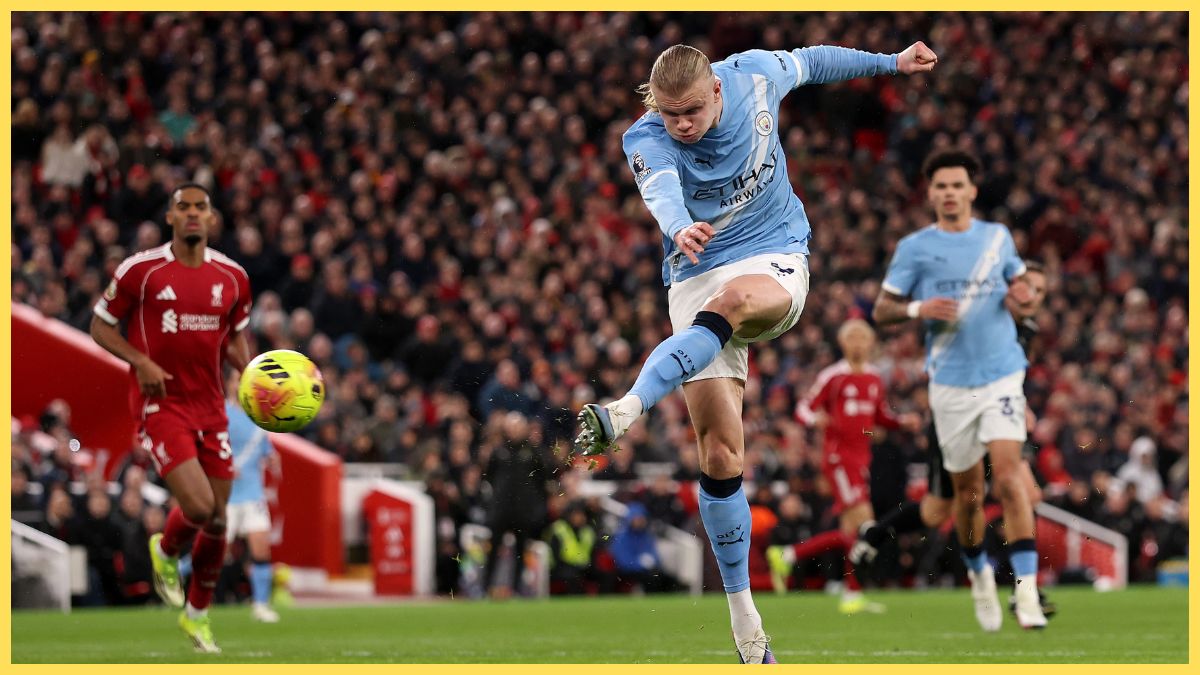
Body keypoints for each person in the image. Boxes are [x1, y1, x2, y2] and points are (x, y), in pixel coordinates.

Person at [575, 40, 938, 663]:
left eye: (690, 110)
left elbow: (818, 62)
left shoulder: (754, 75)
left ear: (716, 89)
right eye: (670, 114)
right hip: (693, 265)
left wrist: (890, 63)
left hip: (773, 254)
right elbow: (661, 188)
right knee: (719, 454)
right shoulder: (646, 136)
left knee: (738, 300)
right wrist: (675, 226)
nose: (681, 124)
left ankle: (627, 410)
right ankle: (748, 628)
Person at [870, 150, 1047, 631]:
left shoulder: (997, 238)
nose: (949, 193)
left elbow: (1020, 287)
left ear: (972, 190)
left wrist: (1025, 295)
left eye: (957, 185)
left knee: (1009, 478)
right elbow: (882, 310)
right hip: (949, 385)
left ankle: (1027, 593)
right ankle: (980, 578)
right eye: (940, 186)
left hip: (1002, 375)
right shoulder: (915, 248)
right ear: (930, 194)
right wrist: (917, 310)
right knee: (967, 496)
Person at [91, 183, 252, 653]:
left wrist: (254, 373)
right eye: (184, 207)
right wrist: (139, 362)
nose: (193, 215)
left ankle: (197, 617)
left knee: (220, 523)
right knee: (200, 509)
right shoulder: (141, 270)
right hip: (161, 405)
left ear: (212, 217)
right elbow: (100, 325)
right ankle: (164, 550)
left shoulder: (234, 277)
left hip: (211, 407)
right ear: (170, 218)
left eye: (201, 207)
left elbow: (235, 338)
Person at [853, 261, 1058, 619]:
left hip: (996, 421)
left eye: (1040, 291)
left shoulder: (1027, 328)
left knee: (1026, 492)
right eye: (1027, 285)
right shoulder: (980, 315)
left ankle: (1024, 589)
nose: (1032, 296)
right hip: (957, 419)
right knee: (937, 512)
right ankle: (877, 534)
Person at [767, 319, 919, 614]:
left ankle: (844, 590)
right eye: (853, 337)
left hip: (862, 460)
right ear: (843, 342)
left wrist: (902, 422)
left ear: (871, 343)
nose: (859, 343)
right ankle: (796, 558)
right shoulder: (832, 376)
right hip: (839, 459)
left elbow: (881, 415)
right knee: (865, 525)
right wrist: (815, 420)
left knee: (855, 530)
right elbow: (803, 408)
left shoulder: (875, 378)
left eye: (864, 337)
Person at [223, 372, 283, 623]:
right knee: (215, 554)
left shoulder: (259, 417)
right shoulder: (219, 412)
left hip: (252, 493)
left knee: (261, 548)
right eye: (236, 378)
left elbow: (266, 449)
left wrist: (272, 458)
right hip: (224, 494)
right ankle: (174, 573)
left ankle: (260, 606)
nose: (240, 383)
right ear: (228, 383)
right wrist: (222, 466)